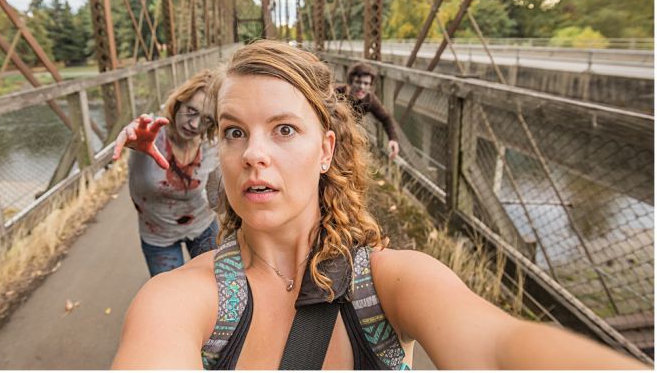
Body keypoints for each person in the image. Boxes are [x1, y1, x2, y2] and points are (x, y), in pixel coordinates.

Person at [112, 41, 645, 370]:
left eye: (284, 129)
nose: (253, 153)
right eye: (233, 132)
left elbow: (498, 347)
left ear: (326, 149)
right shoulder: (175, 300)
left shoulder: (393, 284)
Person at [112, 69, 221, 277]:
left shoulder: (210, 144)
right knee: (174, 299)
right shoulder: (151, 134)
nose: (195, 124)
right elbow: (135, 132)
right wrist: (132, 137)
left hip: (203, 227)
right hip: (158, 237)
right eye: (191, 110)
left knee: (213, 287)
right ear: (178, 102)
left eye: (206, 120)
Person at [335, 62, 400, 160]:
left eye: (366, 84)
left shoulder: (369, 99)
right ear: (350, 82)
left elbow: (386, 118)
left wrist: (393, 139)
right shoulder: (336, 92)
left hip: (345, 137)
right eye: (358, 82)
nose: (362, 87)